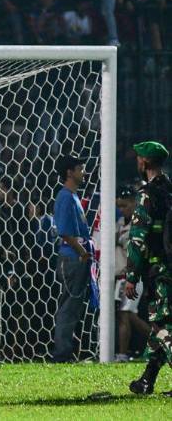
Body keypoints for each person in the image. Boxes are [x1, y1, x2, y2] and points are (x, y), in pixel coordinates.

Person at [126, 142, 172, 396]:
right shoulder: (170, 190)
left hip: (158, 272)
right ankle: (147, 380)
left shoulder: (147, 195)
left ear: (144, 162)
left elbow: (138, 239)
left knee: (161, 324)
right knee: (161, 326)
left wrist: (131, 275)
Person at [50, 154, 93, 363]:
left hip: (76, 257)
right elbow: (65, 232)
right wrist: (82, 252)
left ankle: (67, 350)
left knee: (73, 306)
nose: (83, 172)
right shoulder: (65, 196)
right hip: (72, 258)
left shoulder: (72, 196)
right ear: (69, 172)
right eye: (80, 168)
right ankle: (62, 354)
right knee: (68, 307)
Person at [115, 186, 151, 361]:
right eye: (119, 206)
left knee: (127, 314)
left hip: (134, 276)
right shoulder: (119, 223)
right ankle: (123, 353)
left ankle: (159, 340)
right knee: (125, 314)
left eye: (125, 205)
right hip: (123, 276)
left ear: (134, 203)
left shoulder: (139, 224)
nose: (122, 209)